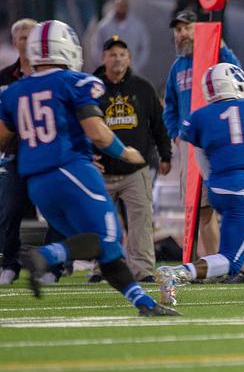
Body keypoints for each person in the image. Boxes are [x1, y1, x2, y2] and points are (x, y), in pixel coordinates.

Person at [0, 20, 175, 316]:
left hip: (37, 184)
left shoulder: (14, 92)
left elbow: (3, 139)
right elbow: (97, 131)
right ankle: (43, 255)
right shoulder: (75, 81)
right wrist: (126, 152)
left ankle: (144, 304)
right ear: (66, 47)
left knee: (102, 248)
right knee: (107, 239)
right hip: (71, 171)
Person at [156, 63, 244, 304]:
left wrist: (217, 182)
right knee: (231, 260)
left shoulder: (200, 117)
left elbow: (201, 161)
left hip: (219, 186)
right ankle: (176, 274)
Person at [91, 36, 171, 282]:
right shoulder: (92, 90)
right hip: (101, 170)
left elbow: (159, 124)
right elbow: (78, 127)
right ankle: (101, 269)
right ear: (103, 58)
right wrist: (85, 156)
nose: (117, 59)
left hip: (136, 170)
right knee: (99, 224)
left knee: (141, 223)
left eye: (122, 54)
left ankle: (143, 270)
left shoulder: (143, 88)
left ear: (130, 58)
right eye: (112, 54)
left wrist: (165, 154)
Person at [163, 10, 241, 258]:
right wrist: (175, 133)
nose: (182, 34)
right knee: (198, 208)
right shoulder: (177, 67)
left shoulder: (216, 56)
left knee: (227, 204)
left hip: (219, 143)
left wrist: (219, 45)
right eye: (178, 30)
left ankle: (227, 261)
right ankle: (206, 262)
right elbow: (170, 107)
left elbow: (237, 74)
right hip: (190, 146)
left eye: (187, 28)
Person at [0, 18, 37, 285]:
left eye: (30, 36)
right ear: (14, 42)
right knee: (9, 210)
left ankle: (54, 265)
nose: (25, 42)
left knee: (59, 209)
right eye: (21, 37)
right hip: (15, 154)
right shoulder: (3, 79)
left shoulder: (49, 74)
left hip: (47, 154)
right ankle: (9, 262)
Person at [92, 0, 150, 72]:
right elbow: (96, 47)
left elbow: (144, 47)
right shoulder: (104, 26)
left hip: (130, 70)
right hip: (109, 71)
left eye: (124, 6)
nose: (121, 8)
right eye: (119, 6)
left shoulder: (137, 26)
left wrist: (136, 65)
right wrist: (104, 65)